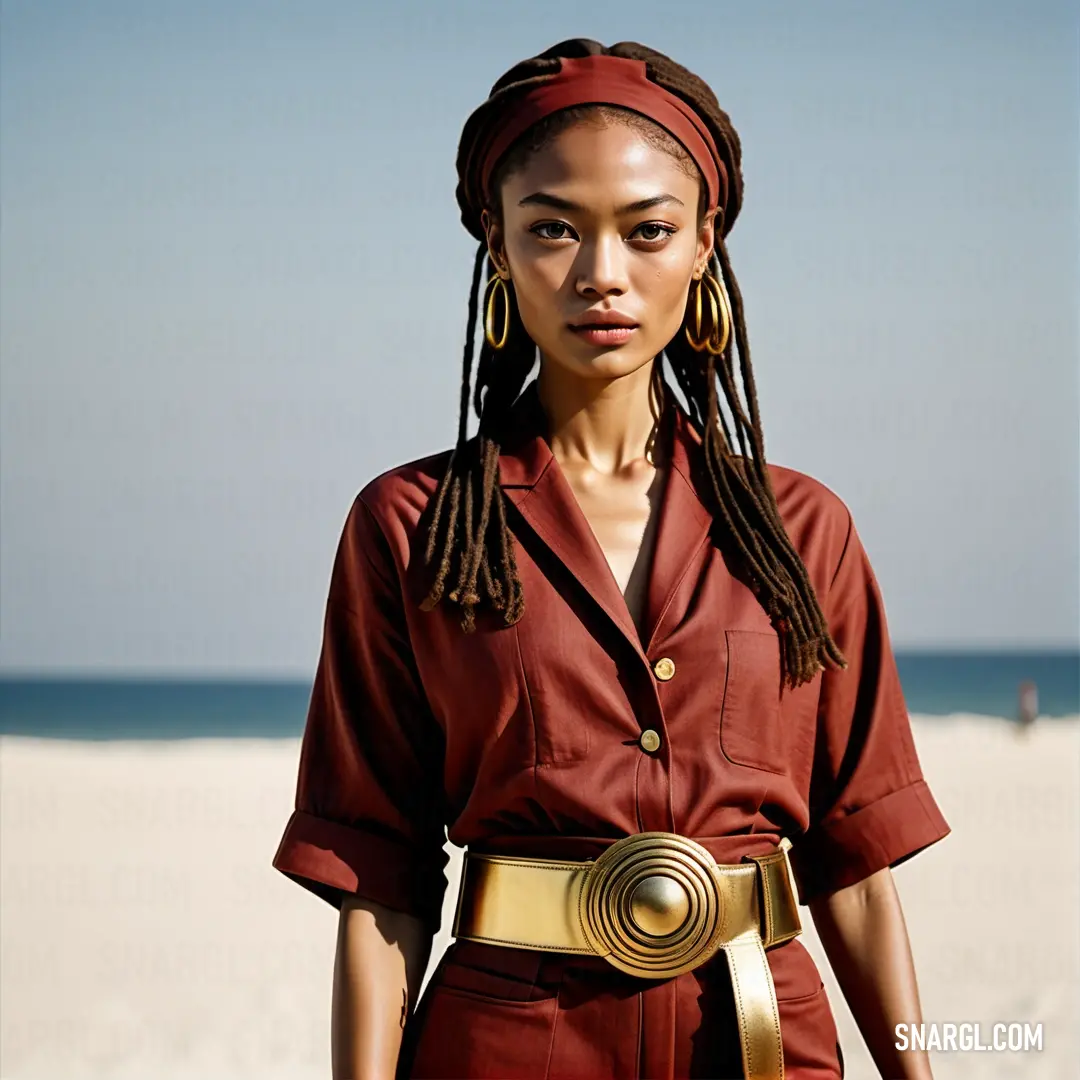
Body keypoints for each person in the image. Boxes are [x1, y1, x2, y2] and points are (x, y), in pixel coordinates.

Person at [272, 38, 951, 1080]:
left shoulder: (804, 529)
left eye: (648, 232)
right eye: (552, 228)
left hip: (765, 1040)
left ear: (702, 242)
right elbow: (379, 877)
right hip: (502, 1046)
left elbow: (854, 869)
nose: (602, 275)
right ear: (496, 242)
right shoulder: (408, 526)